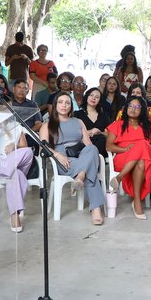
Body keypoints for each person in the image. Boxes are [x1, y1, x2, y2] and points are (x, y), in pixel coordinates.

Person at [40, 92, 106, 226]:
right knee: (90, 170)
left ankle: (80, 176)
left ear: (71, 106)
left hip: (81, 154)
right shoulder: (47, 125)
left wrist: (89, 156)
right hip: (63, 159)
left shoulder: (78, 121)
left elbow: (88, 144)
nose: (64, 105)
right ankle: (96, 209)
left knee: (93, 149)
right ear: (55, 105)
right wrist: (57, 155)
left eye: (67, 103)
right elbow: (43, 147)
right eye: (60, 102)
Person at [106, 95, 151, 220]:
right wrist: (126, 149)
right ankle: (137, 202)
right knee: (140, 161)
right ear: (126, 108)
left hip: (148, 159)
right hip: (123, 158)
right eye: (130, 106)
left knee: (142, 145)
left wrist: (140, 148)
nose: (133, 109)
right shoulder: (117, 125)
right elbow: (108, 146)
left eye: (137, 107)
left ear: (142, 110)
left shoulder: (148, 126)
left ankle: (119, 177)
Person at [0, 110, 33, 233]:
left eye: (9, 108)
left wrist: (14, 146)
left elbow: (24, 147)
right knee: (15, 174)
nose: (7, 111)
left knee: (28, 152)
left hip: (15, 160)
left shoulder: (16, 125)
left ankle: (6, 170)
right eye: (4, 108)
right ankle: (14, 215)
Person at [78, 87, 110, 157]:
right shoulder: (77, 114)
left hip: (101, 147)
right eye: (91, 95)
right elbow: (74, 134)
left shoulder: (104, 116)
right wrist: (89, 132)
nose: (93, 98)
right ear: (87, 96)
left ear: (99, 101)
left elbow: (109, 134)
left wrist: (99, 132)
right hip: (83, 147)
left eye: (97, 97)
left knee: (101, 139)